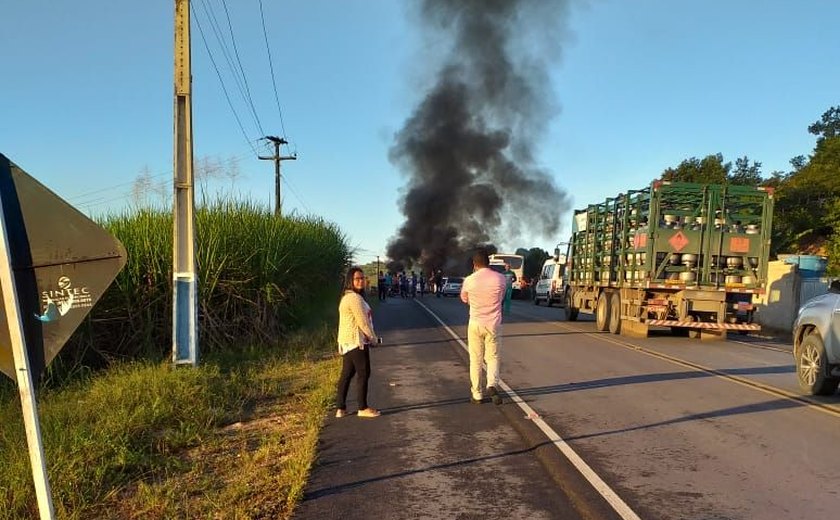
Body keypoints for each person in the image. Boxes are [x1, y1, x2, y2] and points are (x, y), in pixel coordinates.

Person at [460, 250, 507, 405]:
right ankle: (492, 384)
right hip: (493, 324)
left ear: (474, 265)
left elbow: (464, 298)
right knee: (493, 357)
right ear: (489, 263)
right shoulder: (500, 279)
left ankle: (477, 394)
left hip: (475, 323)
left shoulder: (469, 280)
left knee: (476, 360)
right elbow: (502, 298)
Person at [335, 267, 381, 418]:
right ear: (350, 281)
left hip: (348, 341)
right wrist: (373, 339)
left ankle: (340, 408)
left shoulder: (348, 297)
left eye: (362, 278)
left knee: (347, 374)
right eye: (357, 279)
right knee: (364, 373)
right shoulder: (354, 298)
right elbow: (363, 322)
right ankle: (362, 408)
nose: (361, 281)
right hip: (356, 341)